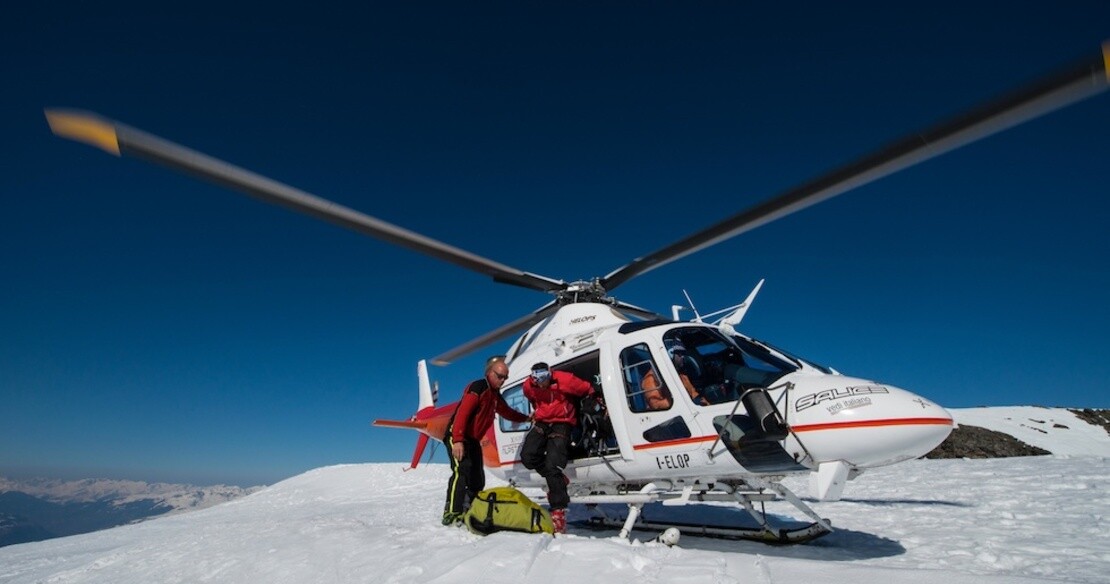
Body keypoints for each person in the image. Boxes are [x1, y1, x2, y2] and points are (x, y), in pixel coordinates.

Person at [442, 357, 529, 526]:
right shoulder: (478, 387)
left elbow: (507, 413)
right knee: (461, 471)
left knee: (477, 478)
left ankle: (472, 507)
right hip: (458, 435)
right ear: (489, 373)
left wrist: (526, 418)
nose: (503, 381)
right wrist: (458, 440)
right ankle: (452, 512)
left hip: (473, 439)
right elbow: (462, 414)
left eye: (505, 377)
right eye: (500, 376)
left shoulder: (495, 395)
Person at [521, 362, 595, 534]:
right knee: (528, 457)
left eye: (544, 378)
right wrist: (538, 411)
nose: (541, 383)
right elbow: (531, 397)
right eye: (537, 379)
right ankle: (558, 481)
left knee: (553, 465)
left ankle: (558, 512)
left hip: (562, 423)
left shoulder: (565, 380)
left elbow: (587, 388)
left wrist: (591, 401)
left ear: (550, 374)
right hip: (542, 422)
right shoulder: (528, 386)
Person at [644, 339, 709, 406]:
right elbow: (656, 405)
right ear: (669, 355)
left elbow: (693, 393)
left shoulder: (680, 375)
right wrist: (683, 401)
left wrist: (702, 402)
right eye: (680, 354)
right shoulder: (650, 378)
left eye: (684, 354)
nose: (683, 357)